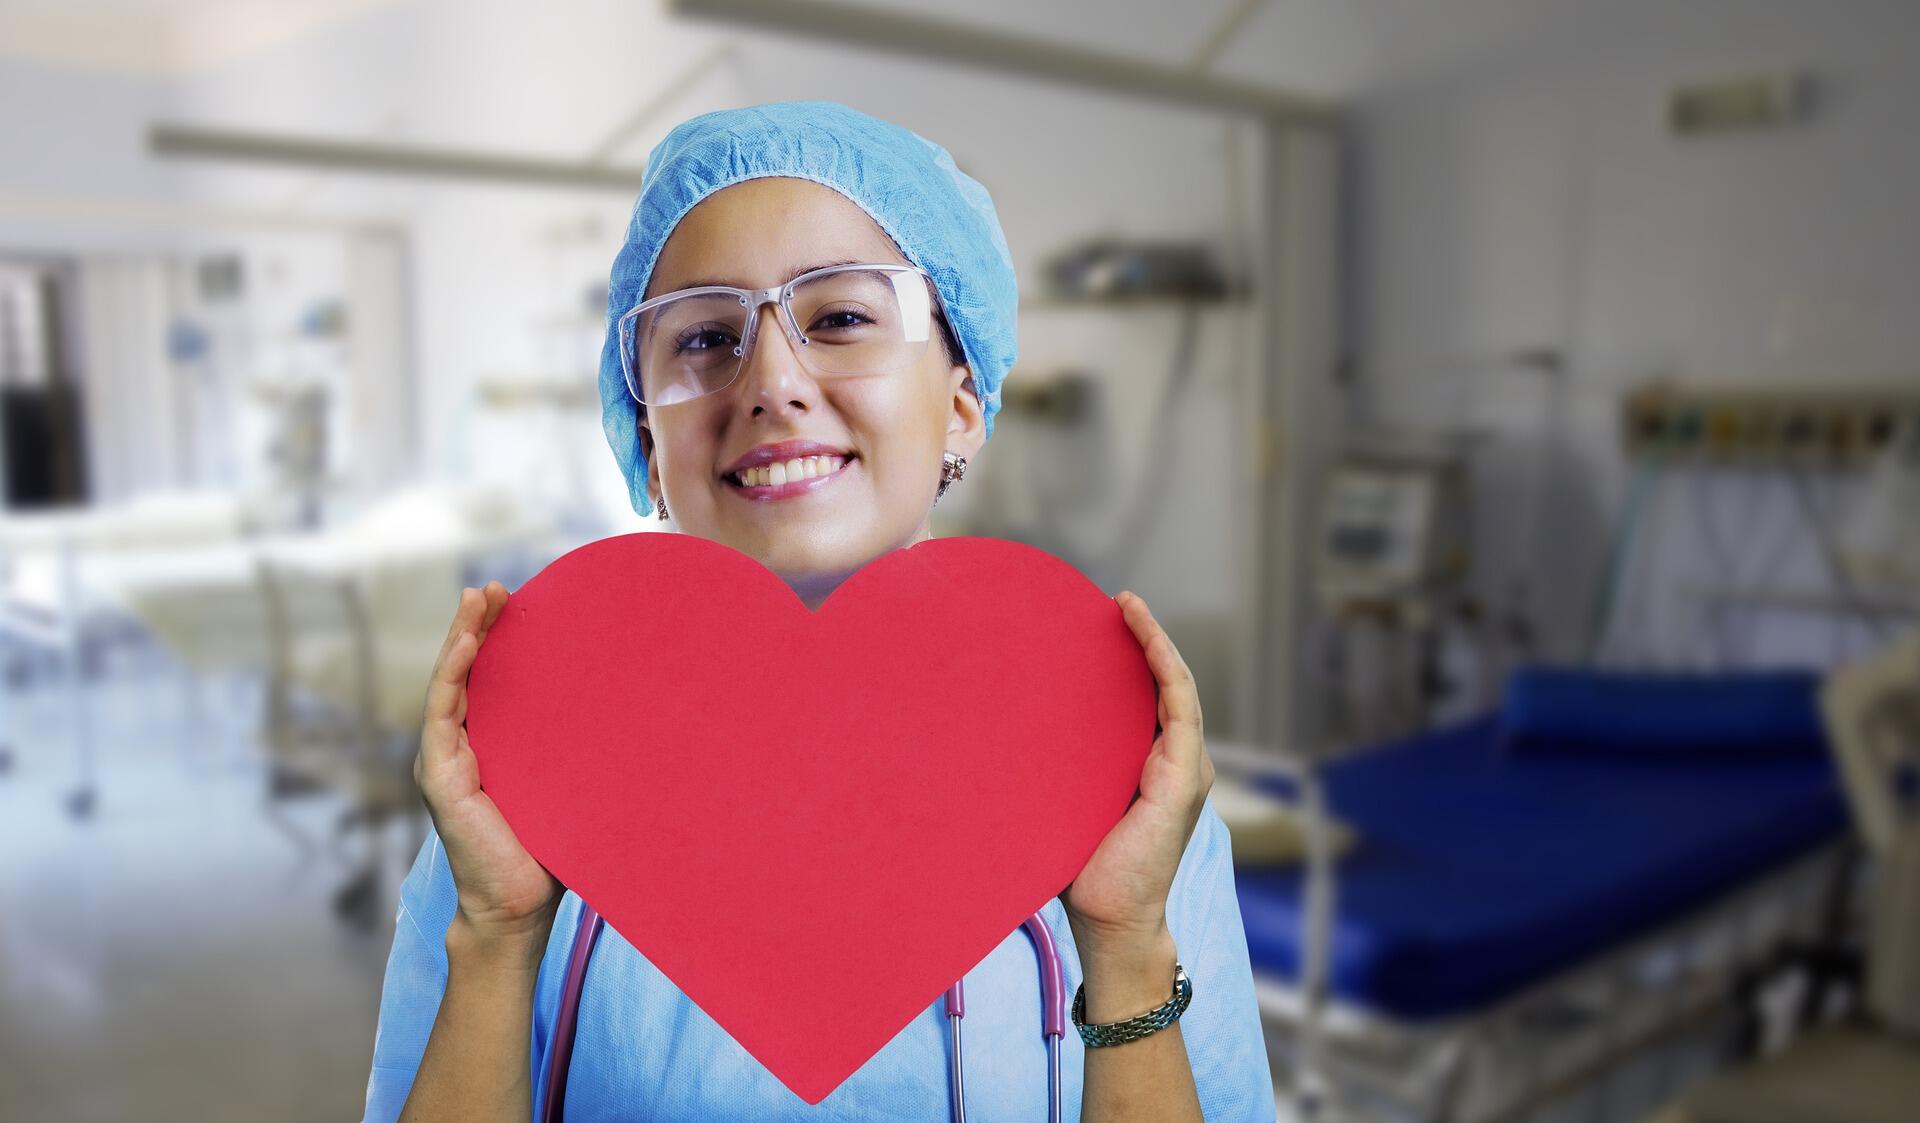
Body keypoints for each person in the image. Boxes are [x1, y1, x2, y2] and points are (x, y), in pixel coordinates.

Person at [362, 100, 1275, 1122]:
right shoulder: (528, 783)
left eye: (840, 317)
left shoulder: (1120, 774)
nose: (773, 382)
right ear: (646, 443)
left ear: (963, 399)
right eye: (705, 337)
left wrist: (1126, 945)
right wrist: (496, 934)